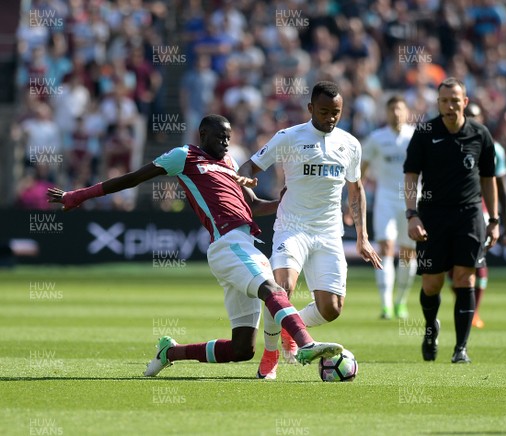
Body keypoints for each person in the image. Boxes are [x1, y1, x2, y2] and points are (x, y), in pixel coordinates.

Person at [47, 114, 343, 377]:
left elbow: (252, 207)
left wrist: (283, 203)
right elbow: (134, 178)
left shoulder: (229, 163)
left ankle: (170, 352)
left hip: (245, 242)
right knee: (274, 291)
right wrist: (80, 195)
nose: (226, 143)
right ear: (203, 136)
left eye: (229, 137)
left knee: (241, 349)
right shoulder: (184, 156)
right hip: (228, 244)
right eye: (219, 137)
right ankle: (305, 344)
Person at [238, 81, 382, 380]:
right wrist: (247, 183)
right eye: (325, 111)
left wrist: (363, 237)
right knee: (282, 289)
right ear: (310, 109)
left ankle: (293, 328)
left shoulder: (350, 144)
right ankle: (270, 353)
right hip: (292, 227)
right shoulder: (288, 137)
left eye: (337, 112)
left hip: (328, 233)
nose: (331, 118)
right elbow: (248, 167)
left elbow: (355, 191)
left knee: (332, 309)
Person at [403, 77, 499, 364]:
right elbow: (410, 177)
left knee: (464, 279)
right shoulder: (424, 132)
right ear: (438, 103)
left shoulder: (480, 134)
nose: (450, 105)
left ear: (465, 102)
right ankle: (430, 329)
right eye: (444, 100)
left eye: (455, 100)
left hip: (469, 216)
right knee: (431, 284)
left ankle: (461, 348)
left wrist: (493, 220)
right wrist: (412, 214)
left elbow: (488, 179)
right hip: (431, 216)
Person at [449, 103, 506, 329]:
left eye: (476, 117)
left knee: (477, 261)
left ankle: (473, 312)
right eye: (468, 117)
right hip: (448, 212)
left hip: (481, 213)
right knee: (451, 266)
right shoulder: (448, 144)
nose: (472, 121)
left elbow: (502, 190)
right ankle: (465, 304)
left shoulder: (494, 149)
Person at [360, 95, 417, 320]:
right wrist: (352, 201)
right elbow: (362, 170)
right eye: (392, 109)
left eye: (400, 109)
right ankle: (385, 305)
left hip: (412, 201)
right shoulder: (376, 138)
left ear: (407, 112)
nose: (396, 113)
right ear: (386, 112)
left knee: (407, 254)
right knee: (385, 249)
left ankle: (400, 302)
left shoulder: (416, 136)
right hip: (385, 199)